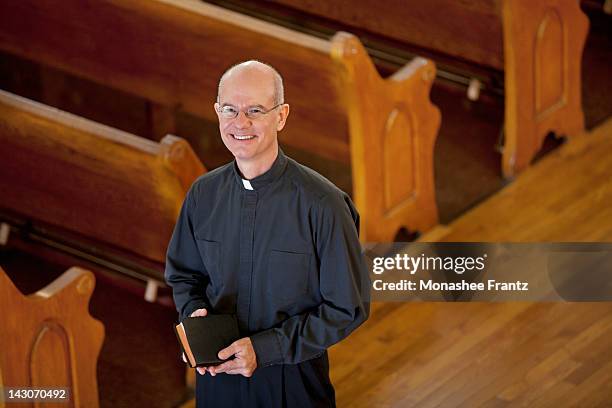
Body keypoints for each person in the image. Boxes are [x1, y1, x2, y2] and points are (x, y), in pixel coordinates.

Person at [165, 60, 370, 407]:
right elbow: (184, 276)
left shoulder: (324, 205)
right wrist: (195, 318)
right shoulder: (203, 194)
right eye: (230, 109)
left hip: (292, 386)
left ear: (281, 116)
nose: (240, 122)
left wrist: (264, 349)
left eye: (255, 110)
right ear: (217, 112)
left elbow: (347, 307)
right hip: (217, 386)